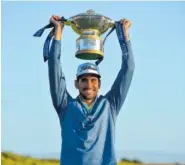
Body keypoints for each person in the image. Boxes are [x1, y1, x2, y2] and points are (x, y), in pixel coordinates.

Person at [48, 15, 135, 165]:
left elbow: (129, 68)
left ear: (99, 84)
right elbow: (54, 67)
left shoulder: (110, 105)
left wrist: (124, 35)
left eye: (93, 80)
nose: (89, 84)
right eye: (84, 80)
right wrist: (58, 31)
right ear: (76, 83)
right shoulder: (65, 106)